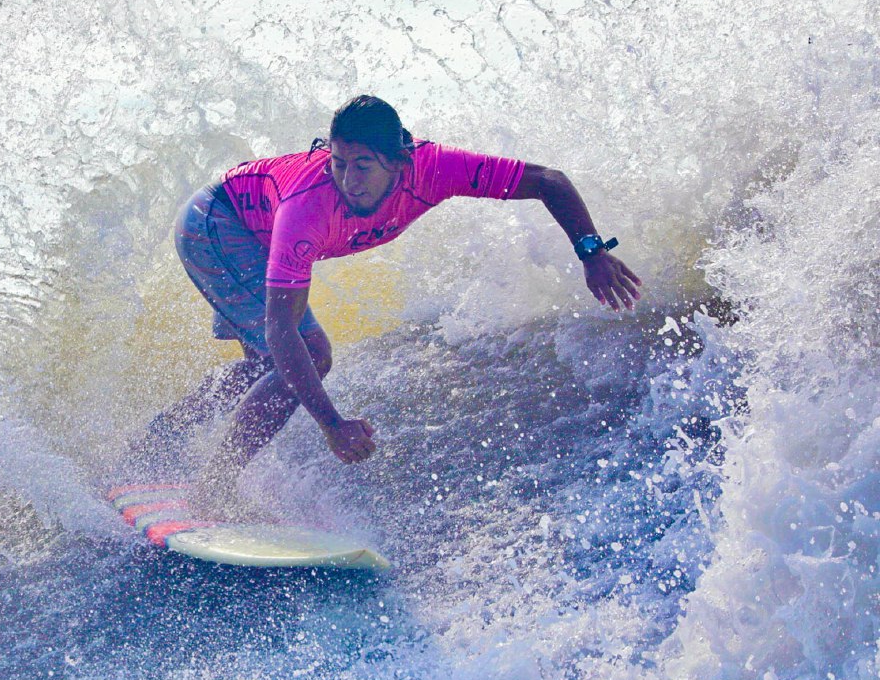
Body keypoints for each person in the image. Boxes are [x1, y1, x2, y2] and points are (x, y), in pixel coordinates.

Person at [133, 95, 642, 517]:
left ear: (398, 161)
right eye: (337, 163)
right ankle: (211, 488)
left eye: (362, 166)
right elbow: (281, 331)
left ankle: (159, 438)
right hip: (216, 223)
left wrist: (592, 252)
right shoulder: (309, 205)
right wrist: (332, 424)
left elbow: (547, 180)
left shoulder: (436, 169)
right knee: (308, 351)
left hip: (247, 225)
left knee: (269, 370)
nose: (348, 179)